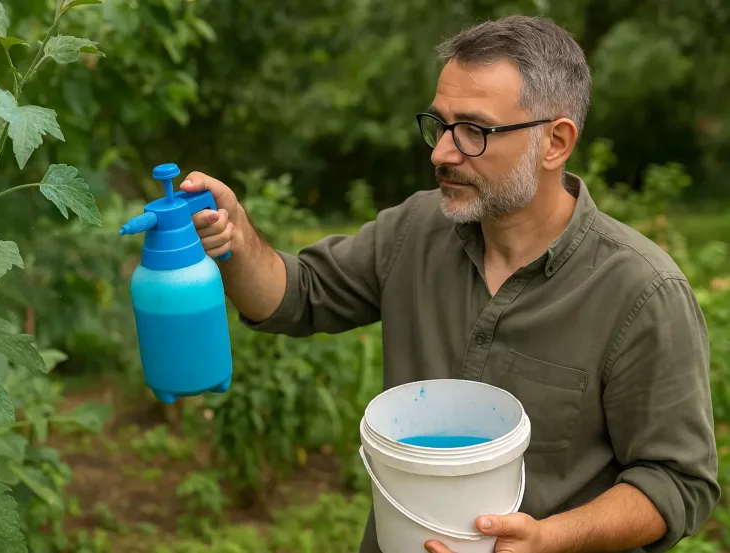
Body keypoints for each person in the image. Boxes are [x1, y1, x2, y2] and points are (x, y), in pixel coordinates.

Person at [178, 14, 719, 553]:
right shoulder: (415, 230)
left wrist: (549, 539)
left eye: (474, 131)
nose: (440, 152)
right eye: (439, 125)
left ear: (555, 142)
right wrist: (236, 239)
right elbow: (296, 295)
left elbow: (676, 482)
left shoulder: (641, 293)